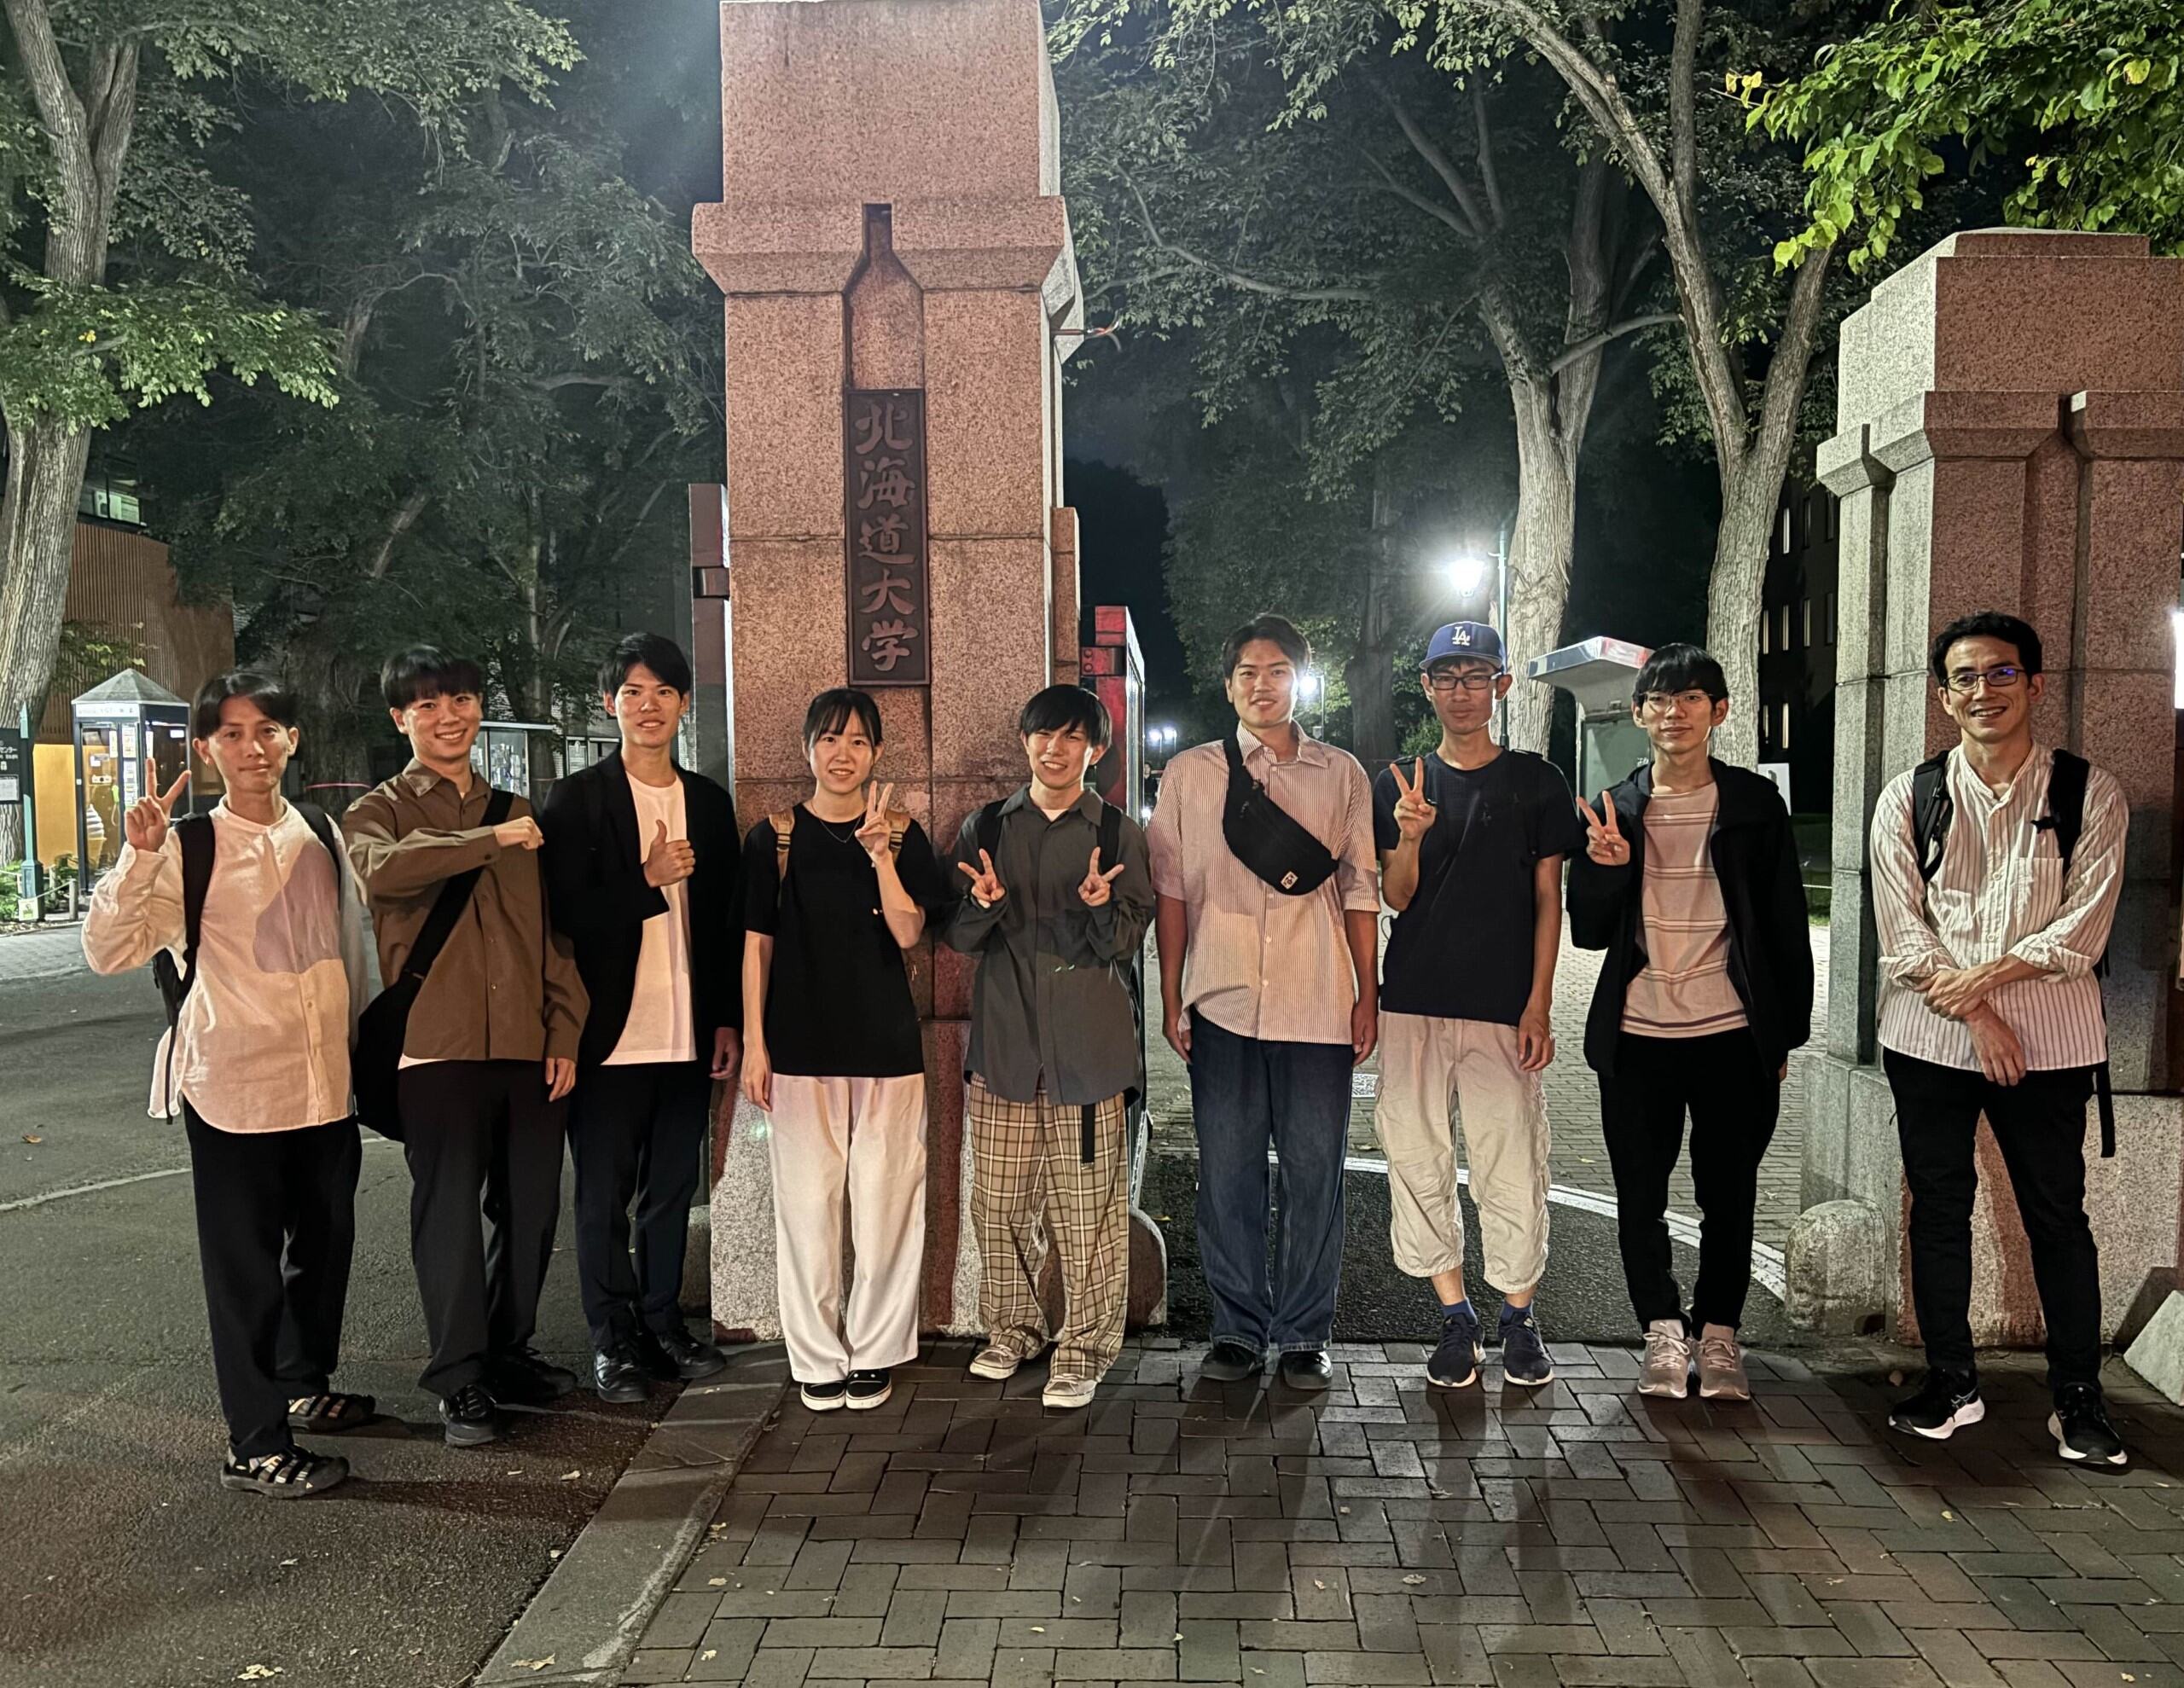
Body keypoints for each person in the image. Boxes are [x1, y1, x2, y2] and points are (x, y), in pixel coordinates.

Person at [83, 671, 372, 1497]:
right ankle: (255, 1441)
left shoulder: (319, 830)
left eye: (268, 729)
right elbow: (106, 949)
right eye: (233, 734)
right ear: (208, 749)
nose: (253, 748)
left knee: (324, 1247)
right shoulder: (188, 846)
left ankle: (302, 1380)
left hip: (324, 1083)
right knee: (245, 1270)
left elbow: (351, 947)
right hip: (234, 1087)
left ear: (292, 740)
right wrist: (139, 855)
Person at [1870, 612, 2129, 1466]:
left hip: (2048, 1047)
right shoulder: (1909, 796)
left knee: (2056, 1215)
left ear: (2035, 683)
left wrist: (1983, 982)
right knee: (1938, 1208)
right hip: (1930, 1041)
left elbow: (2081, 931)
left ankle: (2078, 1396)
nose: (1983, 690)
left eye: (2001, 672)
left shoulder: (2089, 793)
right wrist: (1976, 1012)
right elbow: (1901, 934)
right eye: (1965, 677)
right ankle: (1950, 1379)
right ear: (1944, 696)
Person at [343, 647, 588, 1447]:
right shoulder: (377, 811)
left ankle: (507, 1351)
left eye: (460, 700)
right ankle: (458, 1376)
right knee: (446, 1213)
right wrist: (489, 841)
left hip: (525, 1041)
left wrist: (564, 1027)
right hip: (434, 1046)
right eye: (427, 705)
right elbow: (380, 874)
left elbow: (550, 936)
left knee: (531, 1209)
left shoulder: (518, 809)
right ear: (400, 719)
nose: (448, 717)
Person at [1567, 643, 1810, 1402]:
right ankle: (1662, 1331)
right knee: (1640, 1196)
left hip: (1732, 1034)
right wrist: (1605, 866)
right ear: (1640, 713)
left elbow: (1785, 924)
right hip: (1638, 1036)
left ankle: (1721, 1333)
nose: (1674, 713)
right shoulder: (1615, 806)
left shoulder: (1753, 804)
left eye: (1692, 698)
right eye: (1660, 701)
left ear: (1719, 711)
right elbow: (1589, 930)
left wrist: (1784, 1033)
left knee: (1728, 1193)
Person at [1148, 612, 1380, 1390]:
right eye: (1248, 671)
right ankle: (1237, 1328)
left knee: (1315, 1175)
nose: (1262, 684)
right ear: (1228, 686)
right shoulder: (1191, 775)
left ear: (1300, 681)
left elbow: (1360, 890)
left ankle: (1306, 1332)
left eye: (1278, 670)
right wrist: (1173, 992)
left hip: (1318, 1005)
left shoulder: (1342, 775)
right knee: (1228, 1175)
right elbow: (1172, 892)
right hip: (1222, 1003)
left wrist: (1367, 993)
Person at [1373, 623, 1585, 1391]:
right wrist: (1408, 836)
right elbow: (1396, 895)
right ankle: (1455, 1315)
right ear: (1426, 686)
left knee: (1513, 1160)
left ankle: (1519, 1315)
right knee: (1415, 1153)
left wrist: (1540, 1004)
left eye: (1475, 676)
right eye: (1446, 676)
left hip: (1502, 1004)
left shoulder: (1536, 779)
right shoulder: (1402, 781)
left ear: (1501, 686)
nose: (1460, 692)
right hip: (1414, 999)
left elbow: (1548, 897)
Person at [541, 633, 741, 1405]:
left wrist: (725, 1020)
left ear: (684, 702)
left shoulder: (709, 803)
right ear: (609, 704)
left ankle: (663, 1324)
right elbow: (565, 915)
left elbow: (724, 924)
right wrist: (647, 879)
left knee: (670, 1190)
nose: (647, 705)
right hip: (606, 1036)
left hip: (687, 1033)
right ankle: (612, 1339)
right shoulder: (578, 799)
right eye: (632, 691)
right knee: (602, 1197)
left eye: (662, 691)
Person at [945, 685, 1154, 1410]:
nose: (1054, 748)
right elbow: (958, 936)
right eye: (1043, 734)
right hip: (1006, 1048)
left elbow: (1126, 942)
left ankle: (1084, 1349)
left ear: (1096, 750)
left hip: (1088, 1054)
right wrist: (983, 904)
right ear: (1025, 740)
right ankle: (1015, 1328)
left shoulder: (1119, 833)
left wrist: (1100, 907)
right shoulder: (985, 826)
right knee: (997, 1203)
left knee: (1088, 1214)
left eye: (1071, 737)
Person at [742, 688, 949, 1412]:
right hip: (798, 1049)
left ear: (877, 753)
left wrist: (882, 856)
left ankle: (876, 1349)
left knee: (888, 1202)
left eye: (858, 741)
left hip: (887, 1047)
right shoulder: (773, 837)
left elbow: (910, 932)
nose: (843, 753)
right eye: (829, 739)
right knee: (806, 1207)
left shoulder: (901, 833)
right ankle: (816, 1355)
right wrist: (755, 1044)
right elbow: (756, 946)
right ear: (807, 748)